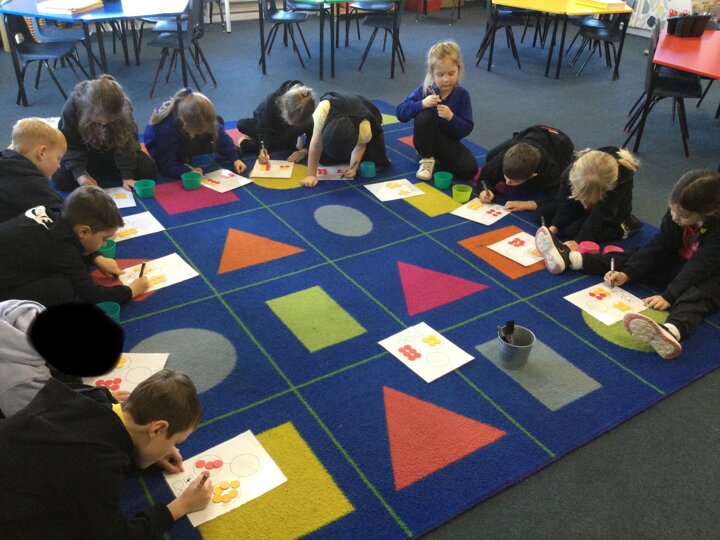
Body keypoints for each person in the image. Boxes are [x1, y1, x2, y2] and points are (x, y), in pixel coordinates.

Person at [0, 368, 213, 537]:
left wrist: (153, 452)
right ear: (157, 429)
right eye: (174, 441)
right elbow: (115, 535)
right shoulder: (99, 463)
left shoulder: (94, 394)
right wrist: (180, 506)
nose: (172, 448)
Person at [535, 169, 720, 360]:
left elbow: (700, 265)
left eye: (683, 216)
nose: (674, 217)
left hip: (712, 273)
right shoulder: (681, 208)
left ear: (707, 212)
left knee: (698, 294)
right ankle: (573, 259)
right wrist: (628, 273)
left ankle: (672, 331)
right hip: (684, 260)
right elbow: (660, 244)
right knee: (637, 256)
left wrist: (670, 295)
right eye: (672, 209)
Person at [0, 185, 149, 307]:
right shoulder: (62, 247)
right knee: (63, 289)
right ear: (84, 231)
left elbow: (70, 240)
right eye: (104, 238)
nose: (104, 244)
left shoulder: (56, 212)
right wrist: (131, 291)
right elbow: (92, 295)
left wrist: (96, 257)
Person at [0, 301, 125, 417]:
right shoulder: (22, 383)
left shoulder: (33, 314)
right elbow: (47, 422)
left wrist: (93, 397)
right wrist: (95, 406)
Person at [52, 75, 157, 193]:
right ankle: (97, 174)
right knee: (61, 180)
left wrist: (127, 175)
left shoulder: (123, 106)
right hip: (84, 155)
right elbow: (69, 145)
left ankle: (100, 174)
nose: (105, 123)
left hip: (113, 154)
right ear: (87, 111)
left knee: (148, 170)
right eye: (99, 120)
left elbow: (127, 142)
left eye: (110, 121)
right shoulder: (73, 107)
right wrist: (80, 174)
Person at [395, 41, 478, 183]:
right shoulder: (425, 90)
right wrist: (421, 104)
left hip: (447, 141)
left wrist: (451, 117)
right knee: (425, 115)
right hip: (424, 140)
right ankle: (427, 158)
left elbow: (466, 128)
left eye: (451, 73)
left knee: (469, 169)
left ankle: (438, 159)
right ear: (432, 74)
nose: (446, 79)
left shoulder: (462, 95)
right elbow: (400, 113)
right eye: (440, 75)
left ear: (458, 70)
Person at [532, 147, 642, 247]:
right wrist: (554, 227)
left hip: (610, 215)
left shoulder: (618, 184)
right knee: (542, 216)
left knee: (572, 232)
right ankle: (574, 221)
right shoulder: (573, 172)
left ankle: (625, 227)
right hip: (582, 205)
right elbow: (565, 204)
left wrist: (578, 241)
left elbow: (599, 217)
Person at [144, 87, 247, 179]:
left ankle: (190, 153)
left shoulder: (194, 108)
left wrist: (235, 158)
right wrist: (186, 171)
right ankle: (185, 158)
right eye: (201, 130)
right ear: (185, 122)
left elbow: (218, 131)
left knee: (220, 125)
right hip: (164, 147)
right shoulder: (165, 129)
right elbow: (166, 165)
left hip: (187, 134)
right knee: (175, 163)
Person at [300, 91, 391, 188]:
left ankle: (349, 156)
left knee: (378, 159)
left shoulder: (364, 128)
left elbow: (360, 147)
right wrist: (311, 175)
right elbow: (315, 144)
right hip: (336, 109)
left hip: (363, 110)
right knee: (323, 160)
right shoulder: (322, 110)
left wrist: (353, 167)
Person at [478, 125, 575, 212]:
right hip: (533, 133)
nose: (507, 182)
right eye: (505, 176)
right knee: (490, 156)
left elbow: (558, 196)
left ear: (532, 175)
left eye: (515, 181)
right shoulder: (501, 159)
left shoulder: (549, 170)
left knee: (568, 175)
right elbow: (484, 176)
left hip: (560, 144)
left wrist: (528, 205)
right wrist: (485, 190)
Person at [0, 118, 65, 223]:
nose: (59, 166)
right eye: (58, 158)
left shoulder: (6, 160)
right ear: (42, 153)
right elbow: (64, 212)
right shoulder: (31, 183)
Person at [236, 80, 315, 165]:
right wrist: (263, 150)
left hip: (288, 134)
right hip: (272, 128)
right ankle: (282, 143)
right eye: (289, 120)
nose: (291, 124)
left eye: (295, 123)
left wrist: (304, 151)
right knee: (242, 124)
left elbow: (314, 135)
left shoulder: (308, 110)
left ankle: (273, 143)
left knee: (287, 140)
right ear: (282, 108)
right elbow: (263, 127)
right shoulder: (273, 100)